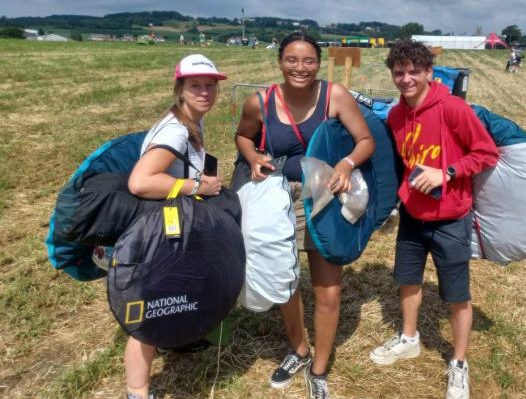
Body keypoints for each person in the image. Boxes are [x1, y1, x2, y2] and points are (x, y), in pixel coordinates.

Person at [235, 32, 375, 399]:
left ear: (319, 62)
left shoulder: (335, 96)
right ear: (280, 62)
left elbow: (366, 141)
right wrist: (252, 157)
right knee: (286, 279)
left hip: (324, 196)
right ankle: (299, 349)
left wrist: (346, 164)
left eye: (308, 60)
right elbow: (243, 136)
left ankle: (320, 368)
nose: (300, 67)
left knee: (328, 288)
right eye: (292, 60)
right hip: (277, 196)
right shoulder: (259, 101)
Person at [369, 41, 498, 399]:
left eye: (414, 71)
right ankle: (409, 338)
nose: (406, 78)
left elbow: (486, 153)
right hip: (413, 213)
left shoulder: (452, 109)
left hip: (450, 217)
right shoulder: (396, 115)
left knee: (457, 295)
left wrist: (448, 172)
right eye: (399, 72)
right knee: (408, 281)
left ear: (429, 72)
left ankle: (458, 363)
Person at [125, 53, 227, 399]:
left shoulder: (192, 122)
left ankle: (176, 337)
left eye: (210, 86)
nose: (204, 92)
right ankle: (137, 391)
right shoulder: (175, 130)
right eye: (195, 85)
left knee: (177, 290)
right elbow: (140, 182)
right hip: (161, 229)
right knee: (149, 308)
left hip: (176, 223)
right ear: (180, 89)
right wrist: (198, 187)